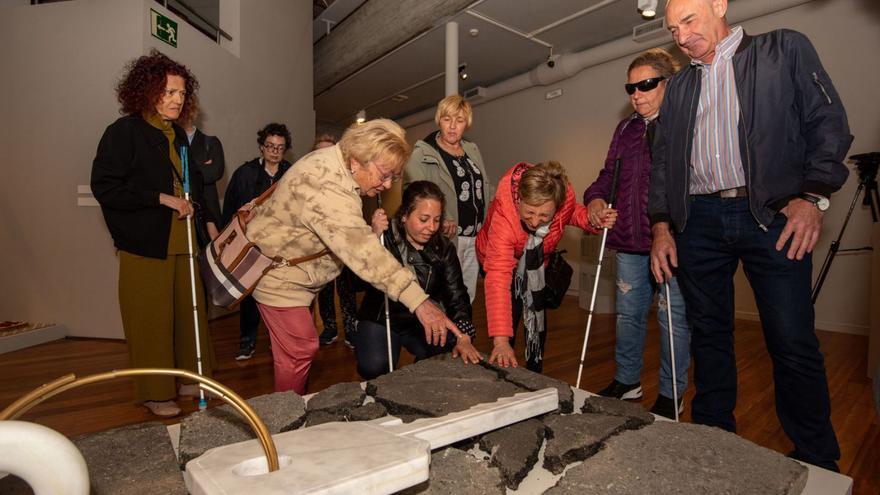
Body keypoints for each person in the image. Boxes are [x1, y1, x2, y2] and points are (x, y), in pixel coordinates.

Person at [649, 0, 851, 471]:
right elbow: (663, 164)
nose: (680, 37)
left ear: (719, 4)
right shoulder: (677, 87)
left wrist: (814, 195)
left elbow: (829, 123)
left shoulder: (784, 49)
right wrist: (661, 225)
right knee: (709, 334)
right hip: (697, 221)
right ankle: (714, 439)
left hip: (772, 215)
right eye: (672, 28)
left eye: (689, 21)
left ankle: (818, 459)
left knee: (792, 338)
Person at [245, 118, 480, 394]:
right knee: (300, 349)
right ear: (358, 159)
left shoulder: (337, 164)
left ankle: (291, 407)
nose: (388, 184)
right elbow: (367, 255)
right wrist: (420, 303)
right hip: (279, 277)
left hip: (297, 273)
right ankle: (281, 424)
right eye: (384, 174)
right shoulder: (328, 186)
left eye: (394, 176)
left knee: (295, 357)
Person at [91, 50, 216, 418]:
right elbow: (106, 186)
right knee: (150, 320)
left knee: (187, 314)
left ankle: (188, 377)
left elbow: (193, 182)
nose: (177, 99)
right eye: (168, 92)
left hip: (183, 241)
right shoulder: (123, 131)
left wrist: (194, 205)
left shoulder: (178, 135)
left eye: (181, 93)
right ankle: (155, 390)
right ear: (146, 91)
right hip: (145, 244)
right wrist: (159, 198)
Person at [584, 48, 690, 420]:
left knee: (671, 318)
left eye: (646, 84)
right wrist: (595, 199)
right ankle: (627, 380)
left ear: (668, 82)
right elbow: (606, 177)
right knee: (627, 317)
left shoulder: (683, 123)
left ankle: (671, 392)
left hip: (671, 241)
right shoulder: (626, 128)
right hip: (629, 241)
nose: (637, 94)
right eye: (631, 87)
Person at [476, 161, 616, 372]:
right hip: (502, 262)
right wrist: (500, 342)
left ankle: (534, 372)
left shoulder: (563, 196)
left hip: (535, 265)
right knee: (509, 317)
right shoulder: (505, 218)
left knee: (537, 321)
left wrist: (592, 219)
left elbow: (570, 214)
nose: (534, 222)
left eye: (544, 216)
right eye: (530, 213)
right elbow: (497, 278)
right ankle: (504, 368)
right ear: (519, 200)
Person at [354, 181, 481, 378]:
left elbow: (457, 295)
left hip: (422, 319)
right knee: (374, 366)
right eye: (424, 219)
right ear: (404, 215)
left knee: (449, 345)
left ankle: (420, 384)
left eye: (437, 220)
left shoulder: (443, 248)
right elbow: (355, 283)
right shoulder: (383, 238)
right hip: (382, 317)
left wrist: (464, 336)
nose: (431, 227)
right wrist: (371, 240)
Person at [404, 95, 494, 302]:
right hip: (448, 238)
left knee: (467, 296)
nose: (453, 126)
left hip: (475, 236)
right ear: (439, 120)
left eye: (459, 120)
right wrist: (442, 216)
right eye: (447, 119)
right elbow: (413, 192)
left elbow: (484, 186)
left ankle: (463, 333)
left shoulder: (472, 149)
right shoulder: (423, 152)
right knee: (445, 295)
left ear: (467, 124)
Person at [222, 123, 294, 360]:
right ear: (262, 147)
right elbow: (231, 208)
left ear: (285, 150)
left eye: (280, 148)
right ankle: (247, 340)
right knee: (250, 294)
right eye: (270, 146)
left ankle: (278, 340)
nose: (274, 151)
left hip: (283, 246)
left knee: (281, 294)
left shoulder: (291, 174)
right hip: (252, 244)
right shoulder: (245, 173)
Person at [313, 133, 358, 347]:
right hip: (319, 246)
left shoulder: (347, 180)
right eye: (319, 151)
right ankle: (329, 327)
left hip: (345, 244)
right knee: (324, 289)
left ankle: (351, 329)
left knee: (346, 287)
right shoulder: (308, 181)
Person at [178, 110, 225, 246]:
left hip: (208, 213)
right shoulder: (170, 142)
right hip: (179, 211)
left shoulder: (211, 142)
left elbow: (214, 173)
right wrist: (200, 166)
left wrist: (185, 168)